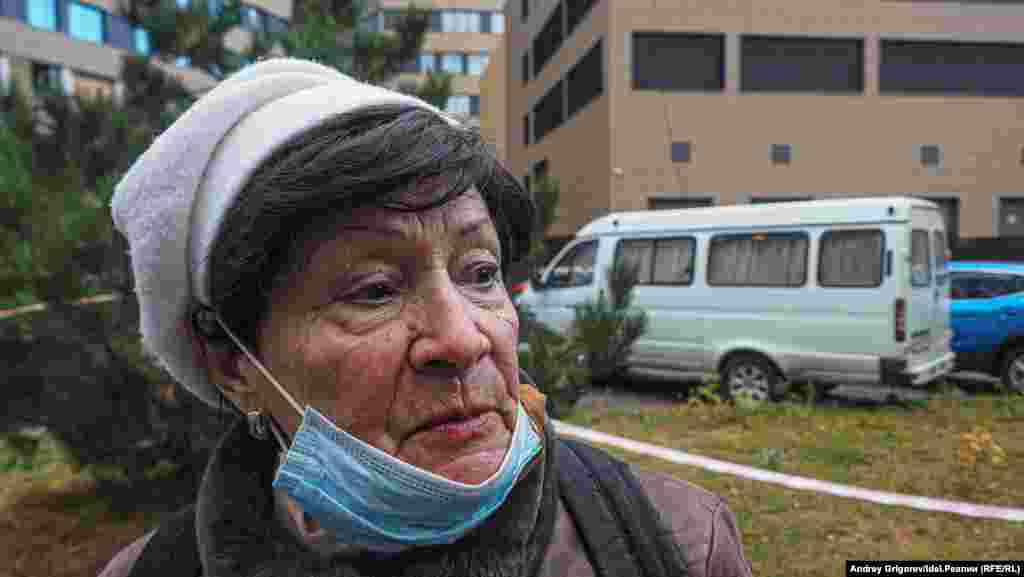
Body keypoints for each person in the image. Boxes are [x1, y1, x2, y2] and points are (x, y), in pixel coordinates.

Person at [100, 58, 753, 577]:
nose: (463, 339)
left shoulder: (673, 544)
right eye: (374, 290)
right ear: (234, 365)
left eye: (480, 272)